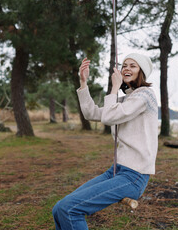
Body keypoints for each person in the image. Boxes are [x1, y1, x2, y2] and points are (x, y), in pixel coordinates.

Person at [52, 53, 158, 230]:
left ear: (142, 71)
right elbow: (91, 113)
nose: (126, 69)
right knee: (59, 208)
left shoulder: (146, 95)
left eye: (133, 65)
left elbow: (109, 117)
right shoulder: (127, 100)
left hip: (133, 176)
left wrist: (115, 88)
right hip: (115, 171)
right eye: (124, 65)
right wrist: (83, 83)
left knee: (69, 210)